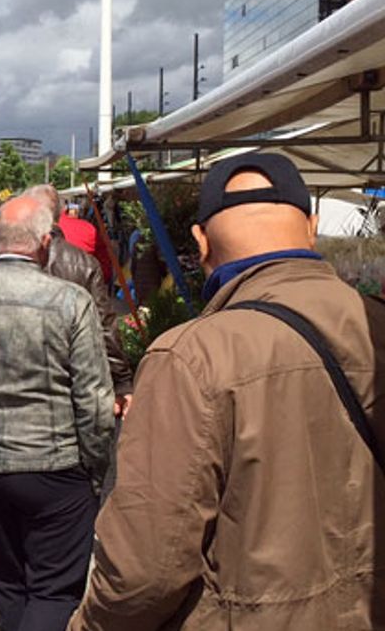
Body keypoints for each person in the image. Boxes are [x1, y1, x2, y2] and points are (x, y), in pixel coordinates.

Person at [70, 154, 385, 630]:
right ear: (313, 227)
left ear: (200, 242)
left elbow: (145, 568)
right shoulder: (374, 323)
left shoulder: (190, 357)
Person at [0, 196, 114, 631]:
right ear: (45, 242)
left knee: (9, 582)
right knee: (53, 589)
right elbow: (95, 399)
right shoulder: (70, 301)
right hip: (57, 463)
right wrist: (96, 467)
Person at [25, 185, 134, 416]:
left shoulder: (11, 258)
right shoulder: (84, 261)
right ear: (59, 214)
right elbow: (104, 325)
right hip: (70, 375)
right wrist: (122, 381)